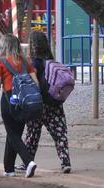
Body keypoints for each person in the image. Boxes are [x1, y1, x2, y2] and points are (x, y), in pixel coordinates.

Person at [0, 34, 39, 178]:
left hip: (9, 99)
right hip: (24, 101)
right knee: (14, 133)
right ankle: (9, 169)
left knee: (12, 134)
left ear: (3, 46)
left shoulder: (0, 62)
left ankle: (28, 162)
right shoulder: (24, 61)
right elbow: (36, 83)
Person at [23, 30, 72, 173]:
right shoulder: (52, 61)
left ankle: (28, 162)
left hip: (38, 104)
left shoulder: (33, 63)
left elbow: (31, 83)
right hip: (54, 103)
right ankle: (65, 162)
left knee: (32, 134)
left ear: (32, 45)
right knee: (59, 133)